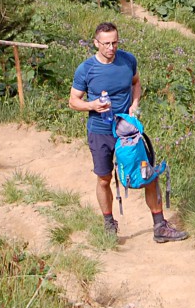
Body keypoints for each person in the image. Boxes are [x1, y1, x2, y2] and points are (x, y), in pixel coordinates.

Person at [69, 22, 187, 243]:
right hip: (100, 130)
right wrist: (92, 105)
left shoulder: (128, 60)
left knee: (148, 174)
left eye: (114, 42)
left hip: (128, 132)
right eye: (106, 43)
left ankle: (160, 226)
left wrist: (134, 104)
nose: (111, 47)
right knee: (104, 179)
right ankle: (109, 224)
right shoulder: (86, 69)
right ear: (96, 43)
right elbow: (73, 101)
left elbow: (136, 82)